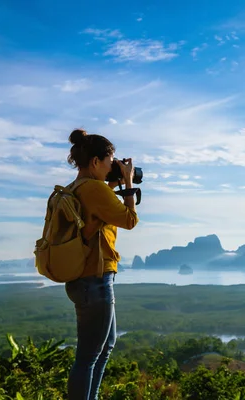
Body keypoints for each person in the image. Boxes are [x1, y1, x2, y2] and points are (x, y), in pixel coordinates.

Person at [64, 128, 139, 400]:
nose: (112, 168)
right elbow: (129, 220)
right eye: (110, 162)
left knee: (105, 347)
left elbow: (96, 217)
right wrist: (128, 183)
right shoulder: (93, 189)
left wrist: (112, 187)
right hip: (94, 280)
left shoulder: (77, 188)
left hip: (86, 279)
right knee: (88, 356)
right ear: (95, 162)